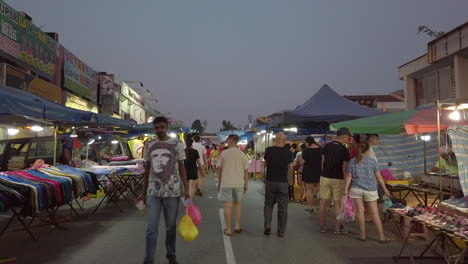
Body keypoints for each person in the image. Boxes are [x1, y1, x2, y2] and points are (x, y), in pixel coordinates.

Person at [138, 116, 189, 264]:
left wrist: (186, 187)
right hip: (153, 192)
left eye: (162, 127)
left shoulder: (177, 144)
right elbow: (147, 169)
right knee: (151, 228)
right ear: (153, 129)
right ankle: (148, 260)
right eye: (156, 127)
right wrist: (143, 191)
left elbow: (181, 167)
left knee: (170, 227)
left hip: (172, 193)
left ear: (167, 127)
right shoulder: (149, 144)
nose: (159, 130)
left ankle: (171, 254)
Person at [344, 141, 391, 242]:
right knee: (375, 213)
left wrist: (345, 189)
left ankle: (363, 235)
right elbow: (379, 177)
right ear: (368, 150)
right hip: (370, 190)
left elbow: (349, 176)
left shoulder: (353, 161)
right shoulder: (372, 161)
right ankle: (382, 237)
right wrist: (385, 189)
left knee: (360, 212)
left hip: (356, 189)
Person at [319, 127, 351, 234]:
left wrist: (324, 173)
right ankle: (337, 227)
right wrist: (346, 182)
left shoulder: (327, 146)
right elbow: (345, 168)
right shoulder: (344, 150)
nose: (348, 139)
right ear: (344, 136)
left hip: (325, 177)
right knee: (337, 203)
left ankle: (322, 226)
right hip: (338, 179)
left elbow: (322, 162)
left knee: (323, 201)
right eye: (348, 137)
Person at [217, 134, 250, 236]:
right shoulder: (242, 154)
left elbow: (219, 169)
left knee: (227, 206)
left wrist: (219, 182)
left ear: (231, 141)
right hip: (239, 183)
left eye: (227, 139)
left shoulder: (224, 153)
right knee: (237, 204)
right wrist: (246, 184)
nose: (226, 141)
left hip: (226, 183)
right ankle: (237, 226)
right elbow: (246, 172)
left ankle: (228, 229)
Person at [263, 132, 292, 237]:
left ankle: (268, 224)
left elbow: (265, 164)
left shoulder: (269, 150)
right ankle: (281, 231)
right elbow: (289, 167)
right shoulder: (288, 152)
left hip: (270, 181)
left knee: (268, 204)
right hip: (283, 182)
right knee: (283, 208)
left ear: (275, 140)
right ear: (284, 140)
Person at [301, 136, 322, 213]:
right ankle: (321, 207)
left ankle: (310, 207)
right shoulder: (320, 149)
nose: (305, 144)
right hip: (319, 172)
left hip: (309, 172)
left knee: (309, 191)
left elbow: (302, 162)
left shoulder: (306, 151)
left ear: (308, 142)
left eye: (305, 143)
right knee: (319, 190)